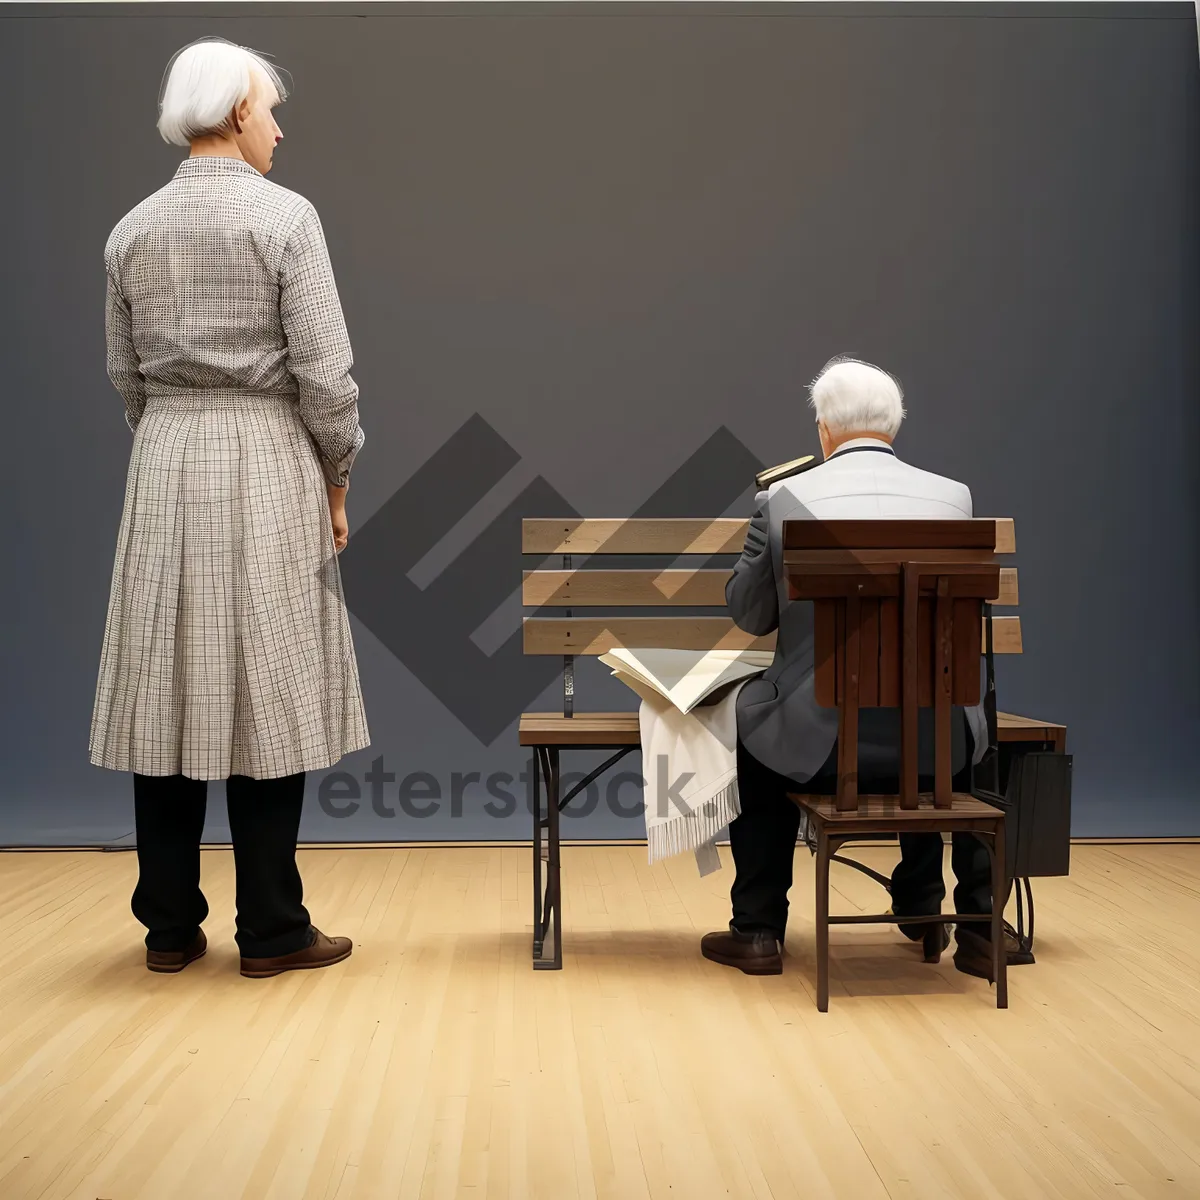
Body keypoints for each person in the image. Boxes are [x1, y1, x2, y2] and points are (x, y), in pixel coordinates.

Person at [89, 37, 369, 978]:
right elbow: (326, 377)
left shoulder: (129, 231)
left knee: (165, 688)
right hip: (265, 456)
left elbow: (125, 375)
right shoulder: (286, 220)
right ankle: (273, 929)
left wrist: (170, 431)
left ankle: (168, 927)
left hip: (165, 457)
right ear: (238, 113)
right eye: (272, 110)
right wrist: (338, 477)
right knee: (269, 692)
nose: (281, 129)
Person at [701, 356, 1009, 980]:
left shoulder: (782, 500)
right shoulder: (953, 499)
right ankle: (973, 926)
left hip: (818, 747)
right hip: (937, 751)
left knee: (754, 725)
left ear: (823, 429)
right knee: (971, 721)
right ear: (894, 425)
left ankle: (758, 929)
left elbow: (751, 615)